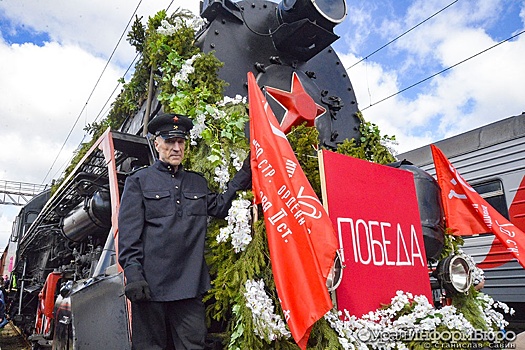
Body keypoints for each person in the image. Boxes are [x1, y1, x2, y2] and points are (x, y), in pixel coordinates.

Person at [118, 113, 251, 349]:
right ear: (156, 142)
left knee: (194, 346)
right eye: (170, 142)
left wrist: (245, 173)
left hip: (189, 287)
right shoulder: (139, 181)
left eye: (181, 142)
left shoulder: (196, 183)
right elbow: (129, 235)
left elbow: (220, 207)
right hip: (150, 287)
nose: (176, 148)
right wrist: (134, 274)